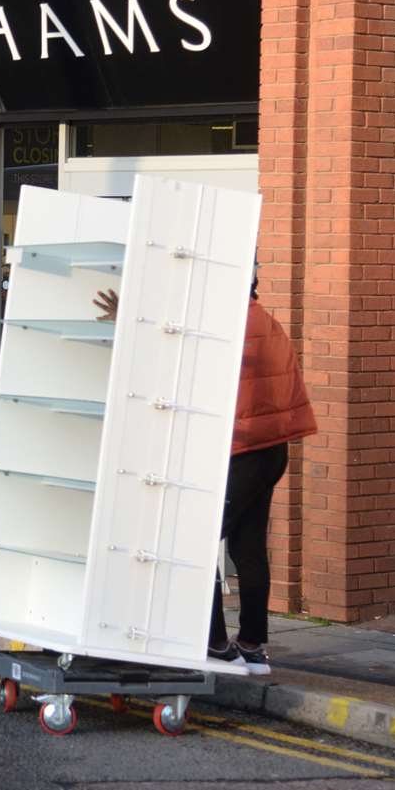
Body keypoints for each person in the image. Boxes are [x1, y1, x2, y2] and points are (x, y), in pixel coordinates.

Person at [94, 276, 316, 675]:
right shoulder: (266, 321)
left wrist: (126, 321)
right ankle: (251, 645)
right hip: (271, 452)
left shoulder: (226, 326)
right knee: (247, 549)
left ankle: (214, 643)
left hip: (242, 454)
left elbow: (176, 362)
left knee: (192, 544)